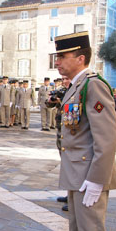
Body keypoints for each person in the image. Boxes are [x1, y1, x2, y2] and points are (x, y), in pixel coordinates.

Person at [50, 31, 116, 231]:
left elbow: (108, 137)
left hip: (89, 175)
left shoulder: (94, 84)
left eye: (62, 56)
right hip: (78, 172)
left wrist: (97, 180)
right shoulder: (77, 84)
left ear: (80, 58)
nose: (57, 62)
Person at [47, 75, 70, 212]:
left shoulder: (75, 91)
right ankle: (70, 194)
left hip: (71, 133)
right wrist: (52, 100)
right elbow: (48, 104)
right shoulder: (62, 90)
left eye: (67, 79)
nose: (65, 81)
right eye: (63, 79)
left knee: (72, 166)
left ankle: (74, 197)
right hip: (61, 131)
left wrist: (63, 101)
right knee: (66, 165)